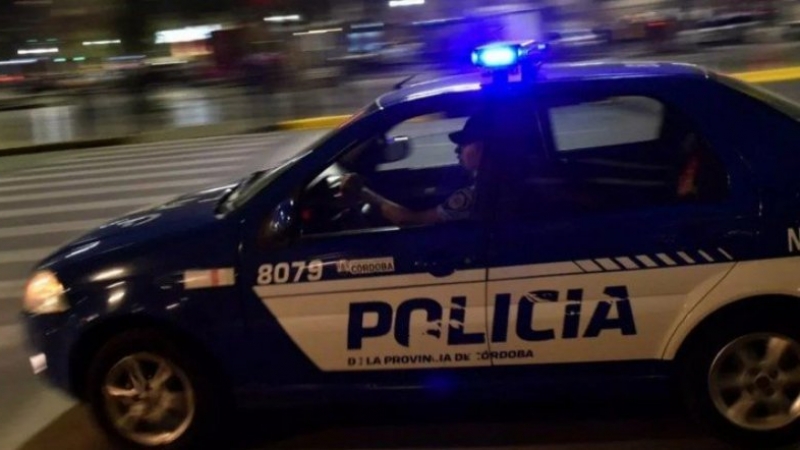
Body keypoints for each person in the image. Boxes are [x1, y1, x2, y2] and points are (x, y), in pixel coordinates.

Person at [340, 115, 487, 227]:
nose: (457, 150)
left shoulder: (472, 196)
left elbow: (410, 220)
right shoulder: (485, 186)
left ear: (484, 148)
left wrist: (364, 192)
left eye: (464, 144)